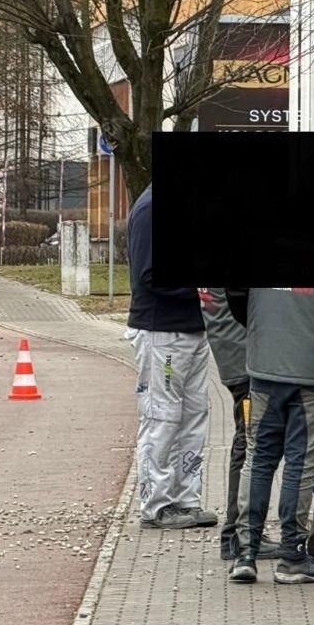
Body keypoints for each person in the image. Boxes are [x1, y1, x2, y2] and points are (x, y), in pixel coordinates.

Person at [226, 285, 314, 585]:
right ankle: (292, 554)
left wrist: (260, 326)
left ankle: (246, 553)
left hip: (266, 358)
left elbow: (236, 293)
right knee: (302, 461)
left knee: (259, 456)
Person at [126, 185, 217, 530]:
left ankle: (186, 499)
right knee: (162, 417)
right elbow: (148, 275)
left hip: (194, 329)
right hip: (162, 331)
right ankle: (156, 504)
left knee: (195, 415)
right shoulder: (151, 209)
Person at [199, 287, 275, 560]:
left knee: (248, 440)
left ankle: (240, 532)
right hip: (245, 359)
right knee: (249, 443)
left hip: (234, 354)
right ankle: (238, 535)